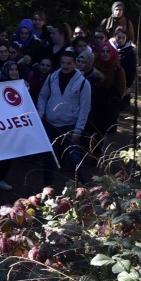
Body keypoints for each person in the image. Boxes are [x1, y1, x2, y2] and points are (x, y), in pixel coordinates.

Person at [38, 48, 92, 185]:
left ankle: (81, 186)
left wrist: (79, 129)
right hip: (51, 123)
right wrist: (41, 111)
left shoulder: (83, 83)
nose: (65, 66)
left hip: (70, 125)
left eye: (69, 63)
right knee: (49, 157)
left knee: (73, 157)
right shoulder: (52, 77)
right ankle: (46, 186)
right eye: (63, 63)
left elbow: (85, 108)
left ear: (75, 64)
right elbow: (43, 96)